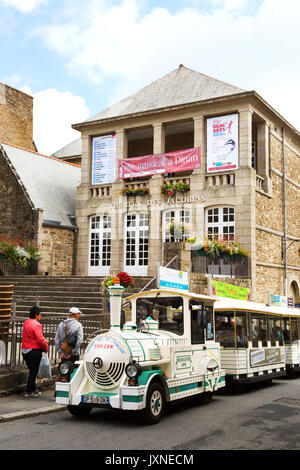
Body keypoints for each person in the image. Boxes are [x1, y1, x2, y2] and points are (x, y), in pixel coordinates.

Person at [21, 306, 49, 398]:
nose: (40, 316)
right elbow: (40, 340)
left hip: (25, 350)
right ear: (36, 315)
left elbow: (32, 336)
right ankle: (29, 391)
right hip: (34, 351)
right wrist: (46, 346)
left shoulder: (26, 322)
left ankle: (33, 389)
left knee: (31, 370)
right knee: (34, 371)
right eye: (40, 314)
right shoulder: (37, 325)